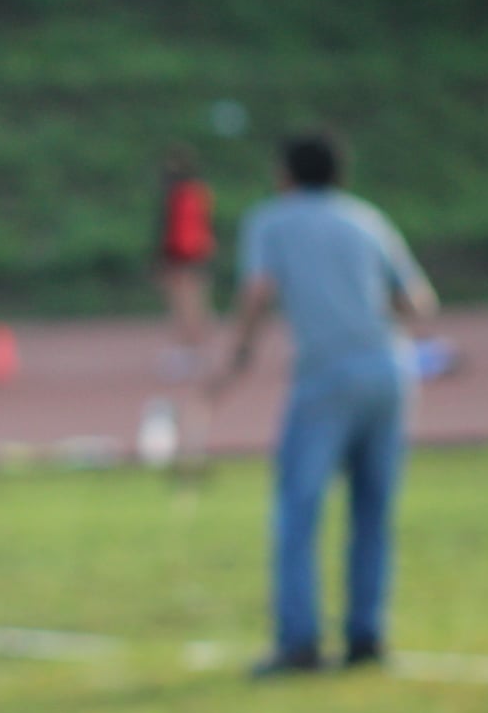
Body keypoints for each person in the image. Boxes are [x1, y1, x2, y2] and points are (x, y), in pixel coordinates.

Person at [207, 132, 438, 676]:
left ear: (286, 174)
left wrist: (236, 358)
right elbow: (417, 302)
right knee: (373, 510)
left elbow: (257, 293)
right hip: (389, 371)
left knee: (297, 510)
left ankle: (300, 642)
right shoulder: (367, 219)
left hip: (326, 377)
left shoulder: (272, 221)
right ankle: (366, 636)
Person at [154, 145, 216, 382]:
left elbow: (175, 231)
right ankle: (194, 349)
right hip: (196, 253)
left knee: (185, 304)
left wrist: (166, 258)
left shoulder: (181, 195)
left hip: (184, 256)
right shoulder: (199, 192)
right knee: (193, 303)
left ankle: (189, 350)